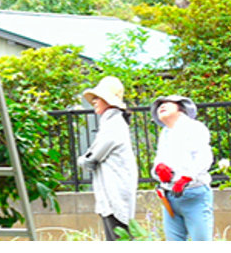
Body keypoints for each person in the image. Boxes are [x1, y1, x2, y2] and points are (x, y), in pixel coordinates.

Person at [78, 76, 137, 241]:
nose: (95, 101)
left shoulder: (113, 124)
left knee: (119, 239)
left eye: (98, 97)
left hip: (115, 194)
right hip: (113, 192)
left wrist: (81, 160)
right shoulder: (112, 122)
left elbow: (91, 159)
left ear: (108, 100)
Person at [151, 93, 214, 241]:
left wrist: (187, 177)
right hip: (170, 196)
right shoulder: (165, 133)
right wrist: (159, 169)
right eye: (160, 105)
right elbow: (159, 159)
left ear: (181, 110)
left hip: (194, 194)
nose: (162, 106)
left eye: (168, 103)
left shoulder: (195, 128)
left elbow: (204, 156)